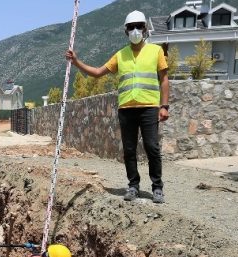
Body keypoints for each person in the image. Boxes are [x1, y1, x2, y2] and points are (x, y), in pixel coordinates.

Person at [65, 10, 170, 204]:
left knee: (152, 148)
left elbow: (164, 79)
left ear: (145, 28)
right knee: (129, 149)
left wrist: (164, 106)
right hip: (127, 109)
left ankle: (157, 188)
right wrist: (76, 61)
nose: (135, 30)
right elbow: (97, 72)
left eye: (139, 26)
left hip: (149, 108)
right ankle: (133, 185)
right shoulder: (121, 55)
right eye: (131, 27)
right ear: (126, 31)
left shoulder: (156, 51)